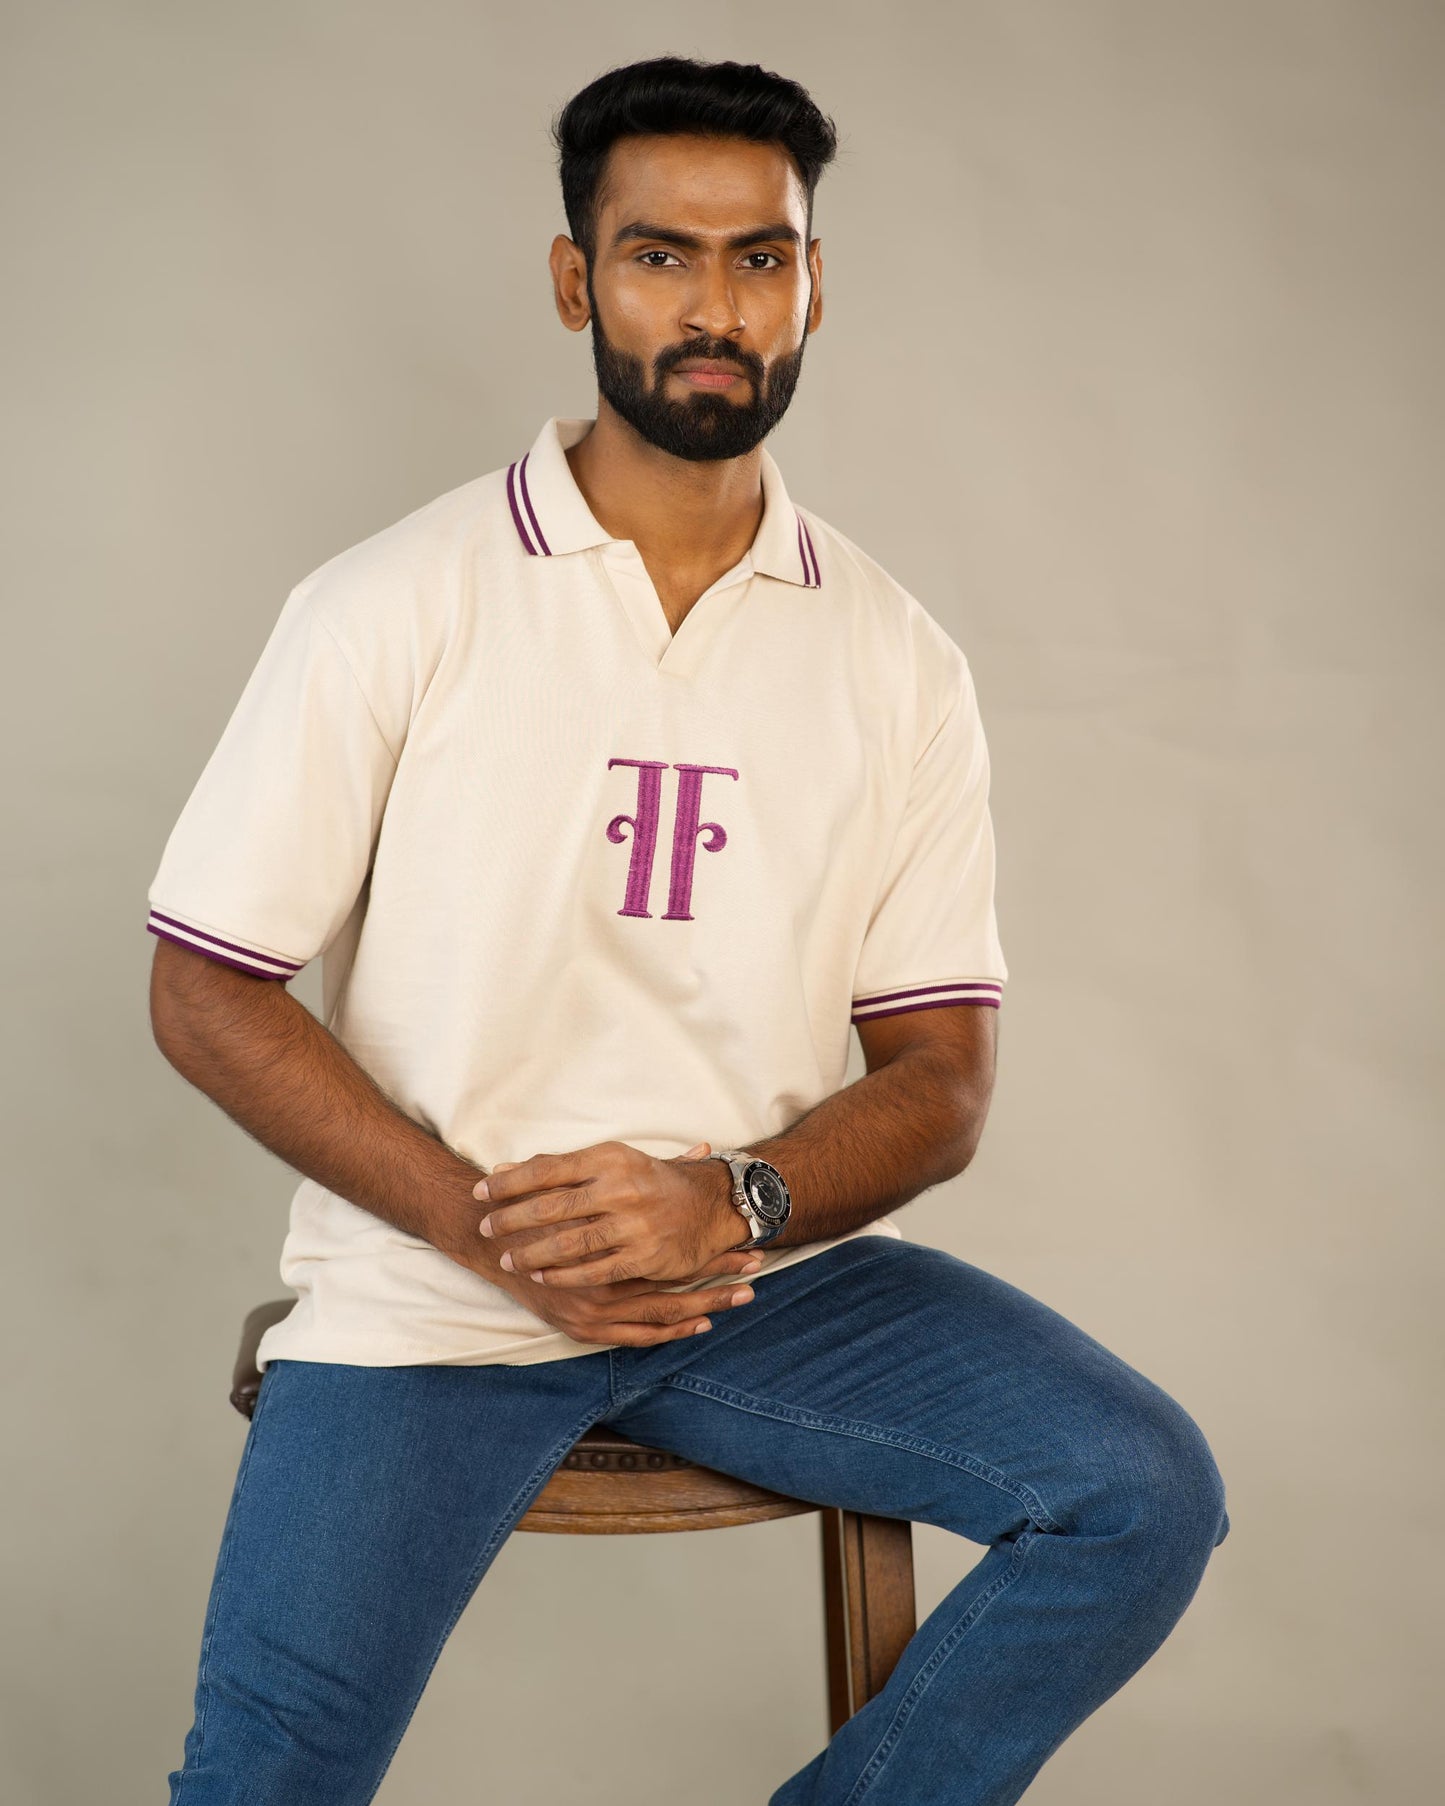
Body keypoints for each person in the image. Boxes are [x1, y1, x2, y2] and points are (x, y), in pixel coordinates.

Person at [149, 53, 1229, 1806]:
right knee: (260, 1783)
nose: (714, 307)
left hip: (763, 1286)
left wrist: (731, 1198)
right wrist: (487, 1228)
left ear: (813, 286)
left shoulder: (893, 658)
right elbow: (204, 986)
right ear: (574, 278)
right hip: (438, 1290)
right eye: (660, 256)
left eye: (759, 258)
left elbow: (941, 1079)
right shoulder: (392, 602)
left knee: (1138, 1492)